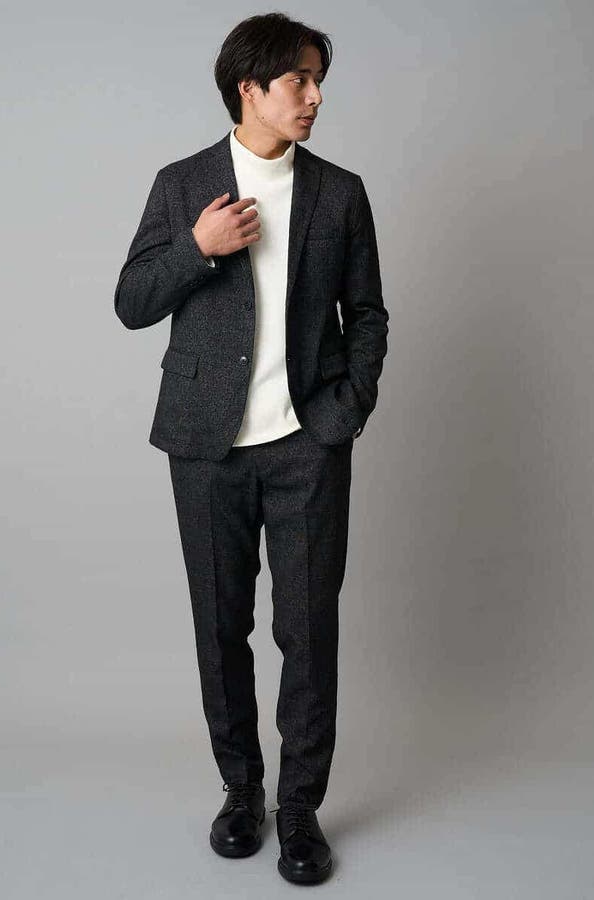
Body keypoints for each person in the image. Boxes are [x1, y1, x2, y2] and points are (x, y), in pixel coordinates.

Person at [113, 12, 389, 886]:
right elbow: (131, 302)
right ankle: (242, 792)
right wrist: (197, 249)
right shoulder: (182, 184)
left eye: (318, 81)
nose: (315, 98)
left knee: (308, 631)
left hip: (309, 444)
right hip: (206, 447)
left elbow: (368, 314)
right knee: (219, 624)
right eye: (299, 80)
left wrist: (345, 410)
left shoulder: (340, 193)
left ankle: (300, 808)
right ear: (250, 89)